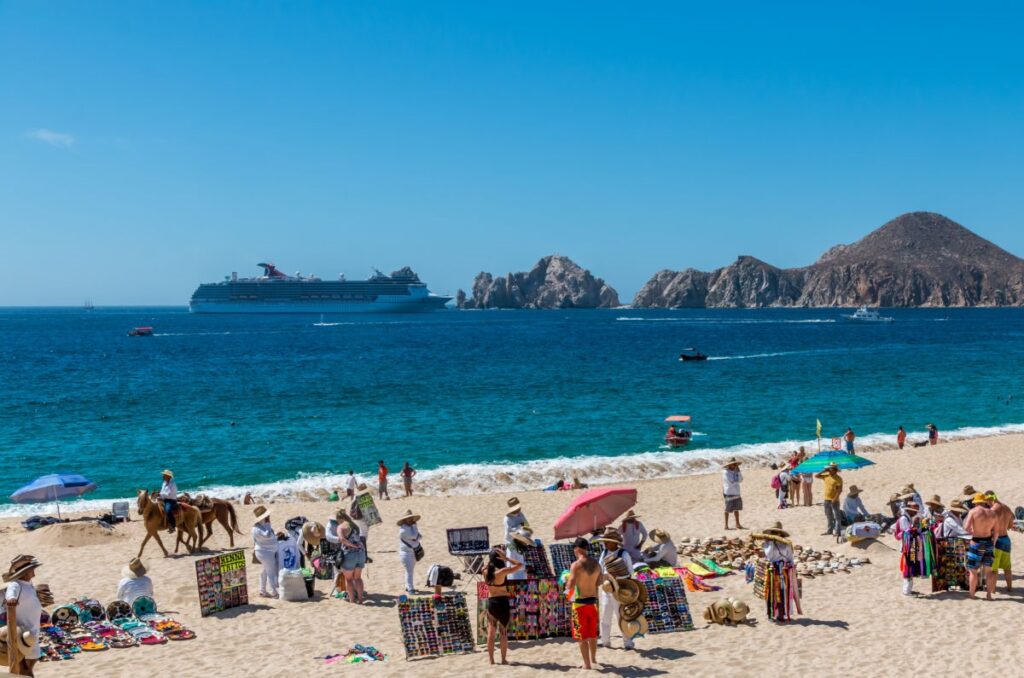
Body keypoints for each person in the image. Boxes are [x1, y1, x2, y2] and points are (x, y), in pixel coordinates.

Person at [565, 537, 601, 670]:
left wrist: (565, 581)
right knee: (592, 634)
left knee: (581, 636)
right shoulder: (596, 564)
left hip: (579, 604)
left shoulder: (576, 565)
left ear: (577, 549)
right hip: (593, 603)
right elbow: (599, 582)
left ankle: (586, 664)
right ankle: (593, 659)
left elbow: (571, 584)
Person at [595, 528, 633, 650]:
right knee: (605, 615)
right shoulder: (604, 553)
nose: (605, 544)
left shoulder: (624, 554)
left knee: (621, 616)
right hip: (607, 589)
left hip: (620, 589)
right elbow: (600, 569)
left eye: (608, 541)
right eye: (605, 541)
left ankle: (628, 642)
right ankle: (605, 641)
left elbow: (630, 572)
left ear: (615, 542)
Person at [4, 554, 42, 676]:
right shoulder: (16, 584)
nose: (34, 573)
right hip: (22, 635)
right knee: (24, 671)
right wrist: (11, 599)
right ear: (25, 572)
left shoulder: (29, 584)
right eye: (32, 570)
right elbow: (10, 594)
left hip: (33, 632)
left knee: (28, 668)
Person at [484, 546, 523, 665]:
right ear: (499, 559)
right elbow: (519, 565)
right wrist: (506, 558)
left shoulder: (485, 571)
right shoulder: (502, 572)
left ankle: (491, 660)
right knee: (503, 633)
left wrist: (493, 557)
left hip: (492, 602)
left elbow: (488, 565)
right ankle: (503, 659)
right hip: (502, 603)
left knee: (491, 632)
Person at [758, 522, 800, 622]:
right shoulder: (767, 544)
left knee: (782, 592)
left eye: (777, 533)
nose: (776, 534)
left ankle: (781, 614)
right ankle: (771, 614)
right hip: (772, 569)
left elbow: (790, 557)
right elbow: (769, 556)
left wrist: (792, 568)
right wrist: (772, 543)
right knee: (770, 592)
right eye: (774, 532)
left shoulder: (786, 544)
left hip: (783, 570)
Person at [894, 500, 936, 595]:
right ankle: (906, 591)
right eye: (914, 511)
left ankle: (908, 590)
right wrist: (914, 526)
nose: (916, 512)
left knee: (910, 567)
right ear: (909, 510)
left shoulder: (908, 518)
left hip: (911, 547)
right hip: (907, 548)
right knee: (908, 568)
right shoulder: (904, 519)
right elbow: (906, 533)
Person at [964, 493, 998, 600]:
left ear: (976, 502)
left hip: (977, 543)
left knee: (973, 571)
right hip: (988, 543)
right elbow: (996, 532)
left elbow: (966, 527)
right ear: (984, 501)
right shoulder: (993, 513)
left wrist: (972, 531)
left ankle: (972, 595)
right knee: (988, 571)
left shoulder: (973, 512)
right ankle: (988, 595)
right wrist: (993, 543)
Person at [334, 509, 367, 604]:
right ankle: (360, 599)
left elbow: (341, 539)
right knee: (358, 578)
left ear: (339, 519)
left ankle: (352, 600)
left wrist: (352, 545)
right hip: (361, 553)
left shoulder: (341, 527)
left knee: (349, 579)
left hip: (350, 554)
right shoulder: (354, 525)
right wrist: (356, 546)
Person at [988, 491, 1014, 592]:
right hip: (1006, 539)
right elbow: (1010, 526)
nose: (987, 503)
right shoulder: (1007, 508)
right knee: (1007, 567)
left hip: (997, 540)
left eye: (987, 501)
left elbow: (989, 526)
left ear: (990, 499)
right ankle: (1010, 587)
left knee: (994, 568)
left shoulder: (993, 509)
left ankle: (993, 590)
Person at [251, 506, 279, 598]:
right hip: (266, 553)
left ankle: (262, 590)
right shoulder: (260, 528)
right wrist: (268, 524)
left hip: (263, 552)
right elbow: (267, 535)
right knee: (271, 572)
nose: (269, 517)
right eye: (267, 516)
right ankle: (274, 592)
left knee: (265, 571)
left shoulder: (257, 527)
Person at [397, 509, 422, 596]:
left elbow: (419, 537)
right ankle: (411, 589)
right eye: (408, 519)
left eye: (411, 518)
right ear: (404, 520)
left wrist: (416, 534)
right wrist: (415, 527)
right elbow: (415, 536)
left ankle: (408, 586)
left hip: (412, 552)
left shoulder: (410, 527)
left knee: (409, 571)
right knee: (409, 572)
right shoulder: (403, 530)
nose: (411, 520)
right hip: (406, 553)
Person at [815, 462, 843, 539]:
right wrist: (824, 470)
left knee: (837, 516)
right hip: (826, 499)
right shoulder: (826, 476)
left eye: (831, 469)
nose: (830, 470)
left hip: (835, 500)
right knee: (828, 515)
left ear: (835, 470)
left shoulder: (838, 478)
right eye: (829, 469)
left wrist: (835, 498)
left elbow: (840, 490)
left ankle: (837, 532)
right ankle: (829, 530)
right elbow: (816, 476)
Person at [722, 458, 744, 530]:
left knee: (736, 509)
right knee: (727, 509)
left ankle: (737, 524)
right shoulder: (725, 472)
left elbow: (741, 480)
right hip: (729, 492)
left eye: (735, 464)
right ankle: (726, 525)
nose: (735, 465)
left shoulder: (736, 471)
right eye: (734, 464)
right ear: (729, 465)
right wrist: (737, 480)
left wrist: (739, 472)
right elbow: (731, 481)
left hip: (736, 491)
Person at [158, 469, 178, 534]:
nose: (163, 476)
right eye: (163, 475)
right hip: (164, 499)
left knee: (168, 510)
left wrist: (160, 494)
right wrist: (159, 495)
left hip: (171, 500)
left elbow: (169, 494)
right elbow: (162, 492)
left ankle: (172, 526)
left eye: (164, 475)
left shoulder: (173, 484)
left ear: (168, 476)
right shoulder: (164, 483)